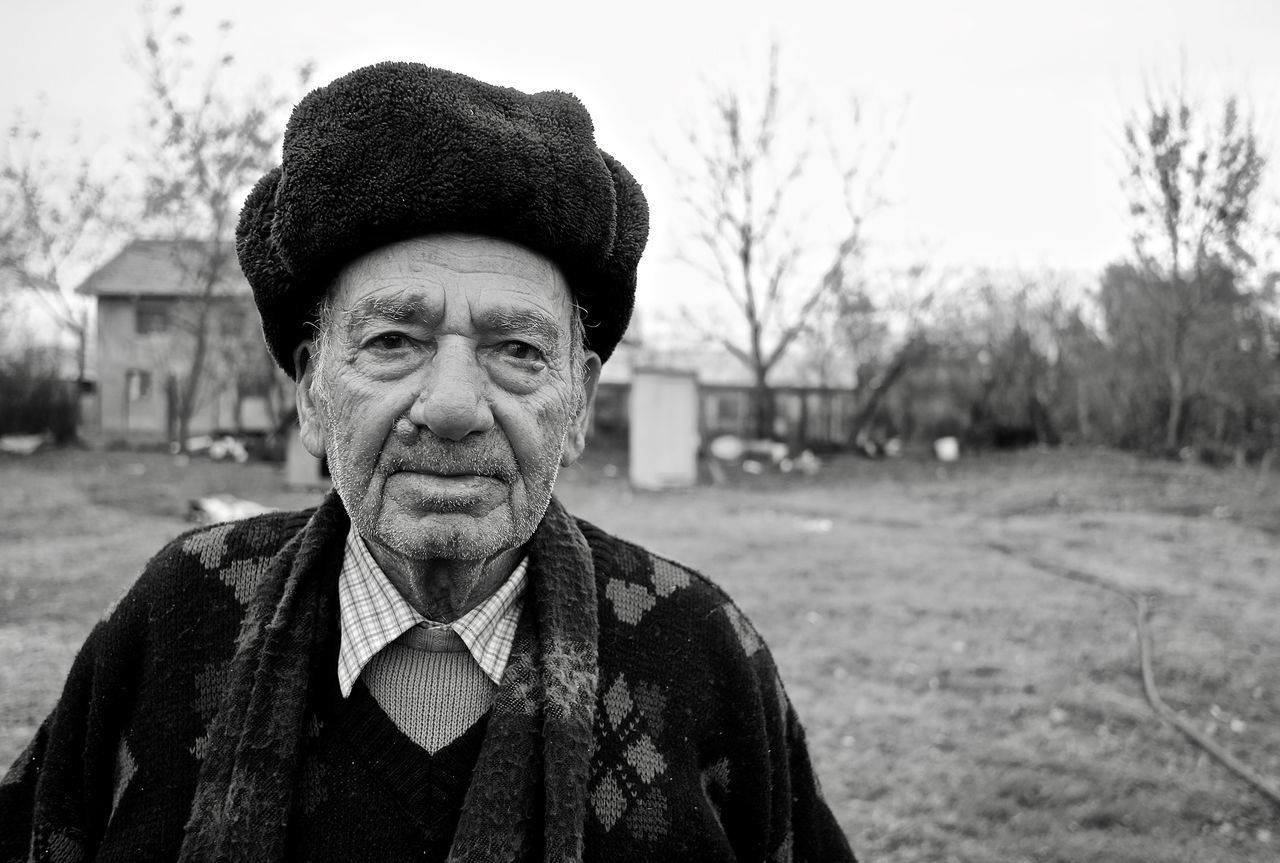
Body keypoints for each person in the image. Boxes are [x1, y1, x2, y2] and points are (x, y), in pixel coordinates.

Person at [0, 62, 856, 863]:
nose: (451, 405)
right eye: (394, 339)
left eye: (517, 348)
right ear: (309, 390)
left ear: (581, 403)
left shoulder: (702, 651)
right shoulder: (178, 617)